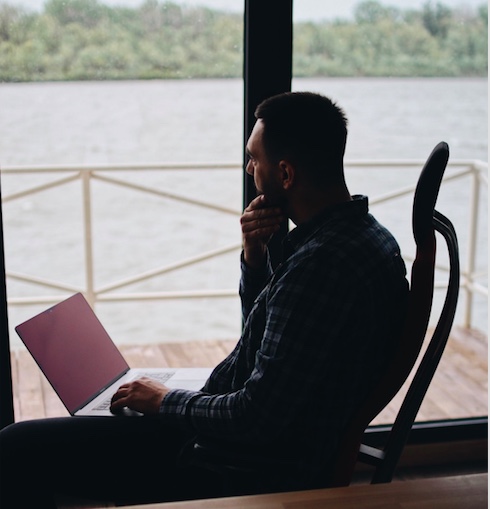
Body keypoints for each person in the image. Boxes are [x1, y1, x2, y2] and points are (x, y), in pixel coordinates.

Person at [0, 92, 408, 508]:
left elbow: (254, 418)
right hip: (237, 438)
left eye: (254, 159)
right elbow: (269, 336)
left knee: (14, 447)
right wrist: (255, 256)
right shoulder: (364, 237)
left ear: (285, 173)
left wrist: (164, 400)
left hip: (229, 465)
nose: (249, 169)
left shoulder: (319, 266)